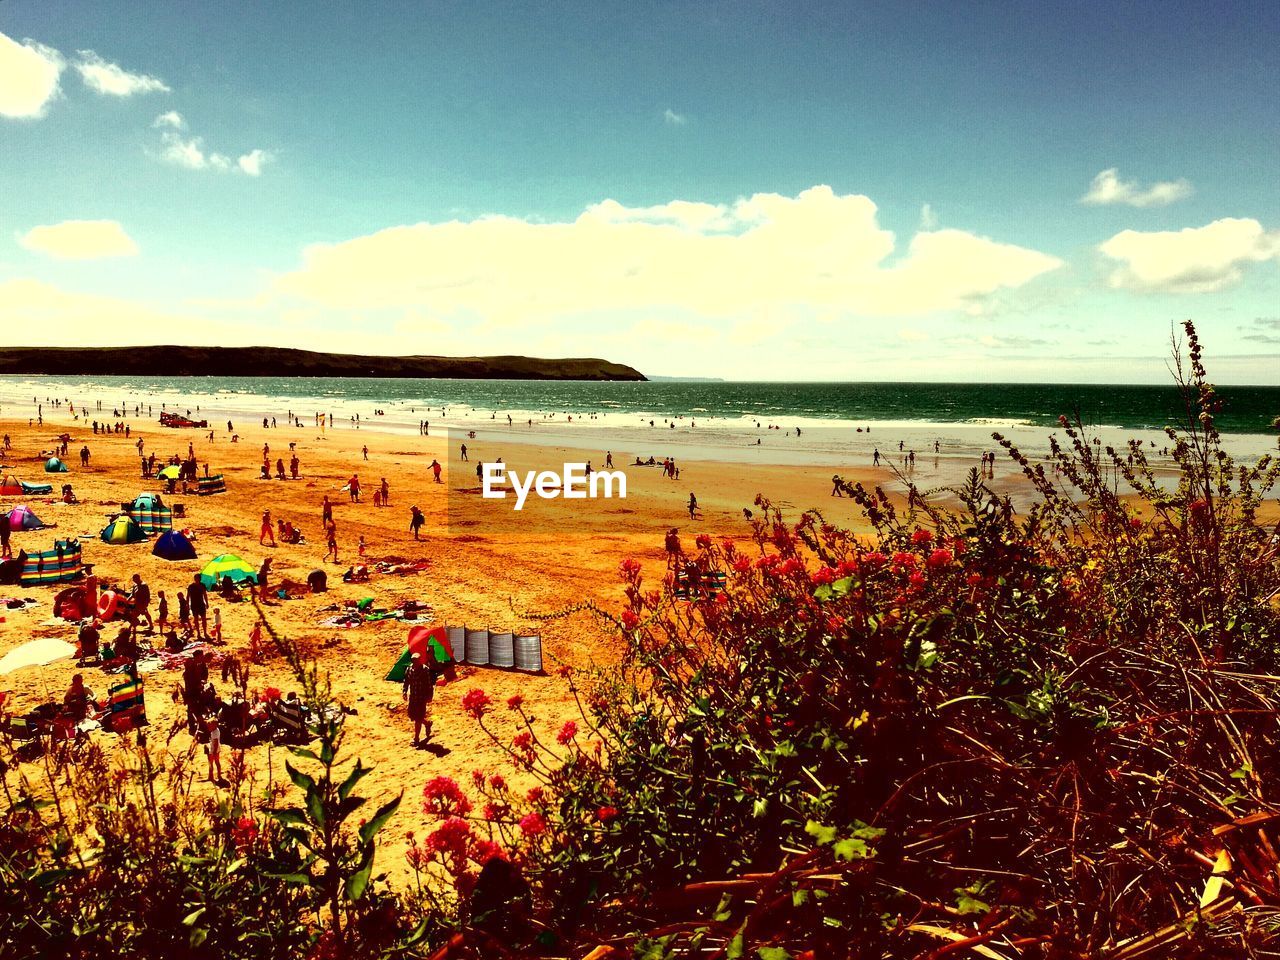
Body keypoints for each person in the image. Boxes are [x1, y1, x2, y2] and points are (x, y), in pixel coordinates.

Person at [402, 651, 442, 746]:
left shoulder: (425, 670)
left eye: (416, 661)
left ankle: (416, 739)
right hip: (413, 696)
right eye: (413, 661)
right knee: (413, 716)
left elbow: (429, 684)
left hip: (421, 697)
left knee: (418, 718)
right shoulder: (409, 669)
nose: (414, 663)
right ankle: (427, 724)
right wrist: (404, 691)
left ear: (419, 661)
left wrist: (429, 696)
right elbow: (406, 681)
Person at [188, 574, 209, 640]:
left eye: (198, 578)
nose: (197, 580)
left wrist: (207, 603)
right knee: (196, 619)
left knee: (203, 619)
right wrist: (187, 604)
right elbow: (188, 596)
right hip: (194, 604)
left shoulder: (202, 585)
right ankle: (199, 633)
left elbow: (205, 594)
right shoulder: (191, 586)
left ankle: (205, 632)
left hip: (201, 604)